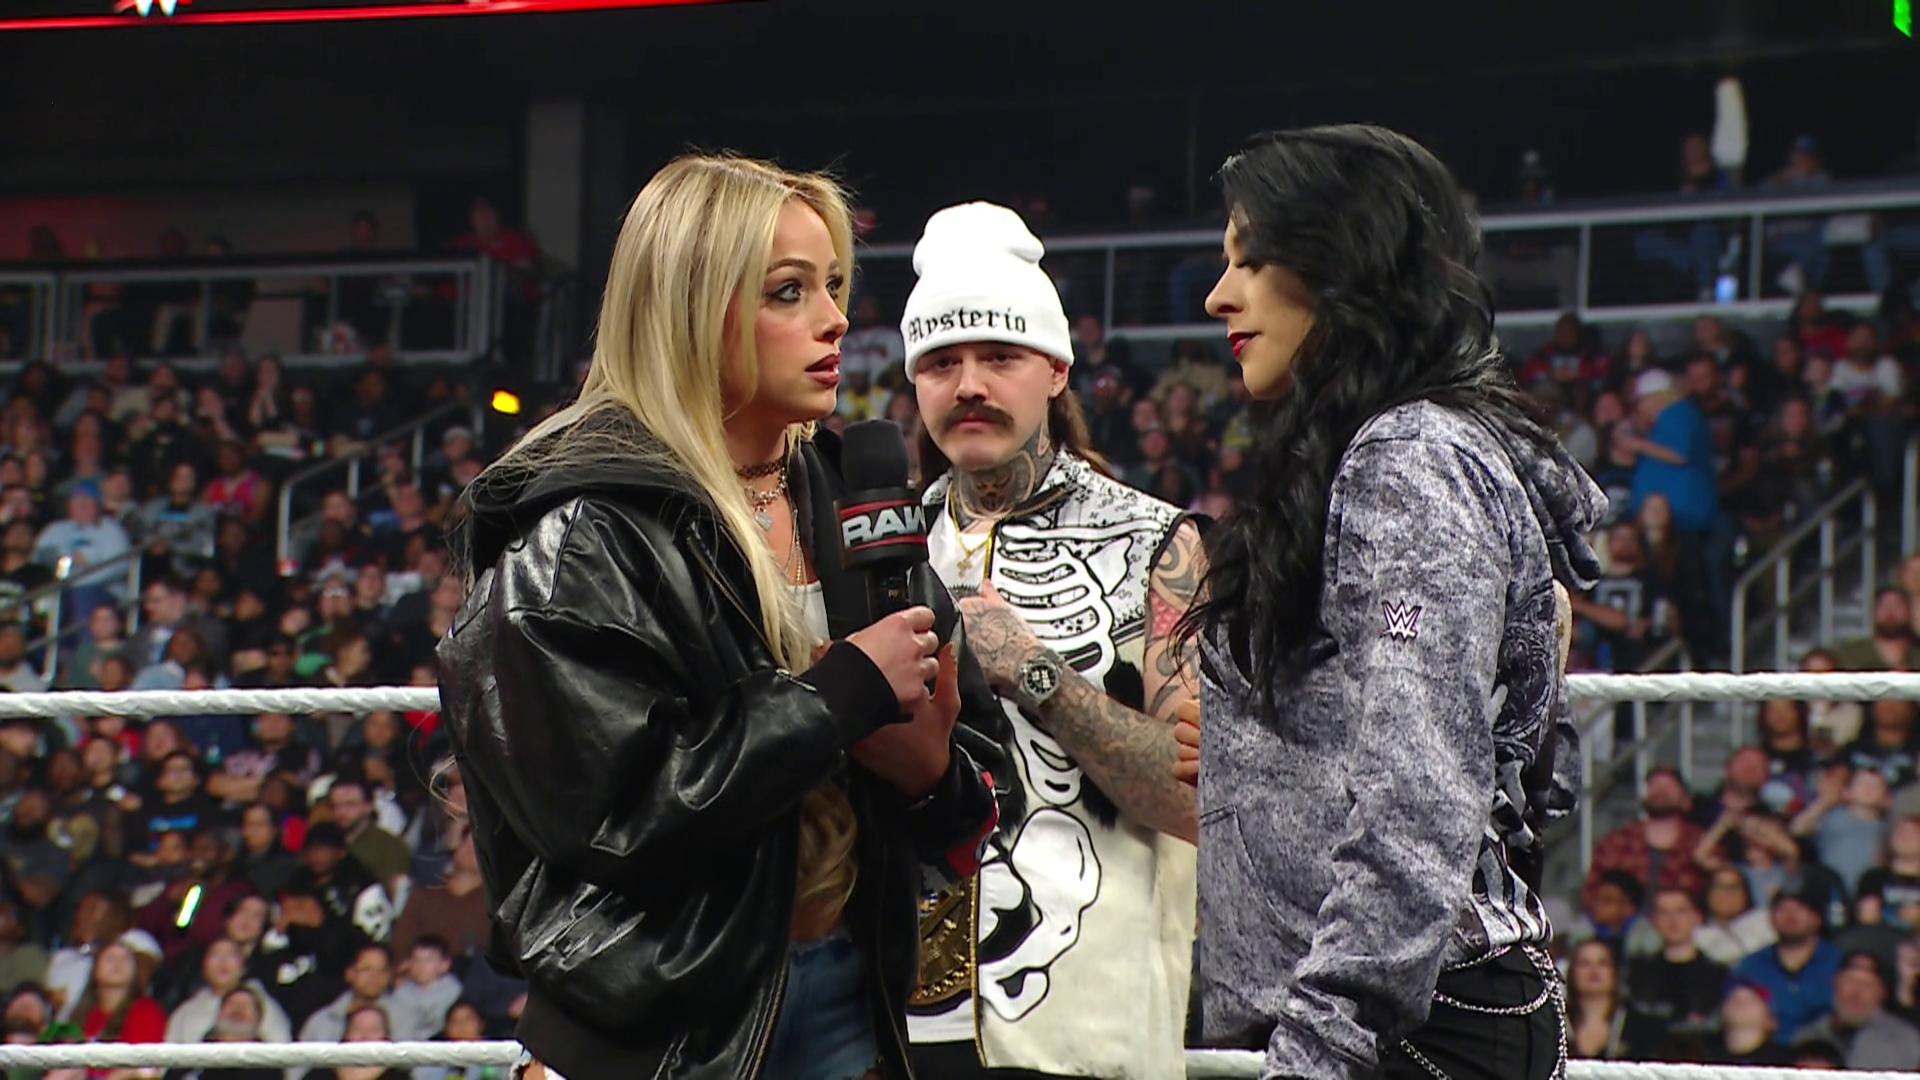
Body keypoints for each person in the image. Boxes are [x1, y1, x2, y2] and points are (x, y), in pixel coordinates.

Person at [437, 155, 1002, 1080]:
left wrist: (930, 773)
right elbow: (613, 819)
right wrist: (837, 699)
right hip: (658, 1030)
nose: (835, 318)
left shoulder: (849, 499)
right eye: (789, 291)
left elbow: (981, 781)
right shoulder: (585, 531)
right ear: (691, 310)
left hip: (848, 990)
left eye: (833, 285)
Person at [1173, 125, 1605, 1080]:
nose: (1218, 295)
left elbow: (1423, 794)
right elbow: (1523, 779)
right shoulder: (1386, 453)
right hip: (1382, 1016)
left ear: (1341, 262)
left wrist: (1320, 1046)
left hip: (1390, 1029)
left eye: (1251, 258)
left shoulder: (1409, 463)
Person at [897, 202, 1204, 1080]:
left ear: (1057, 369)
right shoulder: (886, 548)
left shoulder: (1161, 544)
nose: (969, 385)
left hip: (1091, 1029)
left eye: (1000, 357)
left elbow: (1197, 805)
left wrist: (1034, 671)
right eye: (942, 362)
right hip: (906, 1021)